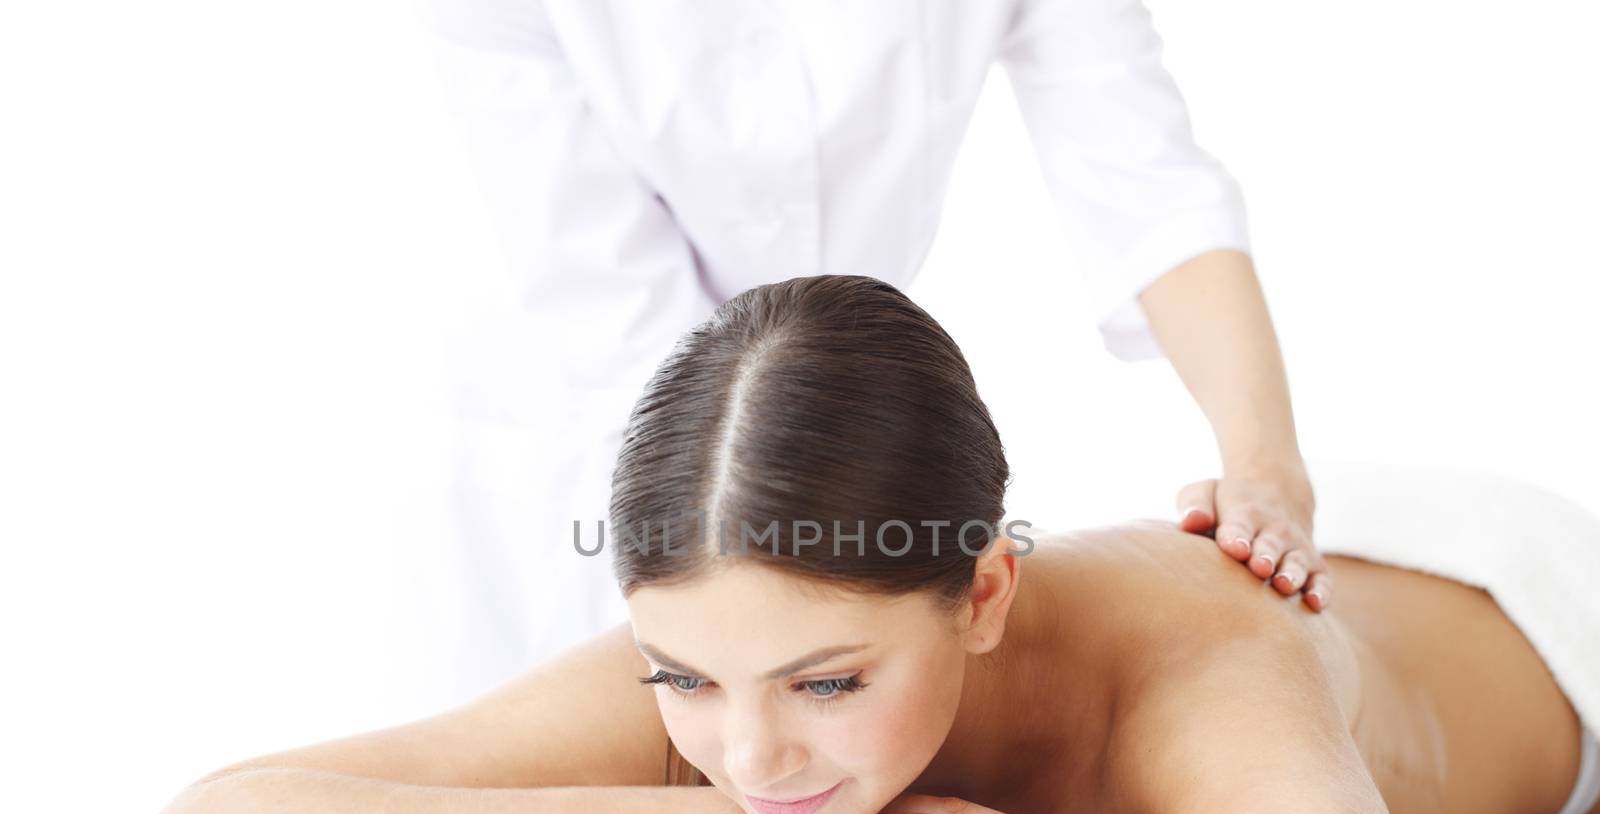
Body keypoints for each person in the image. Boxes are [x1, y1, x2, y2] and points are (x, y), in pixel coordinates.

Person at [96, 276, 1600, 814]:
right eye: (679, 676)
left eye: (826, 684)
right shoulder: (738, 646)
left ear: (986, 592)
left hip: (1543, 609)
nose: (753, 759)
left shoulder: (1198, 649)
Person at [422, 0, 1329, 704]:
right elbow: (614, 307)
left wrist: (1265, 464)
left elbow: (1150, 187)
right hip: (590, 449)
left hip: (835, 443)